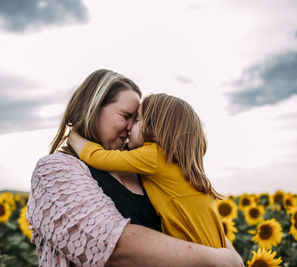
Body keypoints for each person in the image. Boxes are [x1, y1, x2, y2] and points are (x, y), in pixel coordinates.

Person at [27, 69, 244, 266]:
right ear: (93, 108)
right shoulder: (56, 169)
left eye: (137, 119)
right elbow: (109, 248)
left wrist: (228, 257)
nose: (131, 127)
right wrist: (216, 259)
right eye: (126, 116)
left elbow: (201, 222)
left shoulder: (144, 169)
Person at [68, 93, 226, 248]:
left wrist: (73, 137)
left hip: (197, 255)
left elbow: (99, 158)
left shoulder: (154, 156)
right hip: (213, 249)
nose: (129, 127)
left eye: (136, 120)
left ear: (155, 126)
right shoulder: (178, 163)